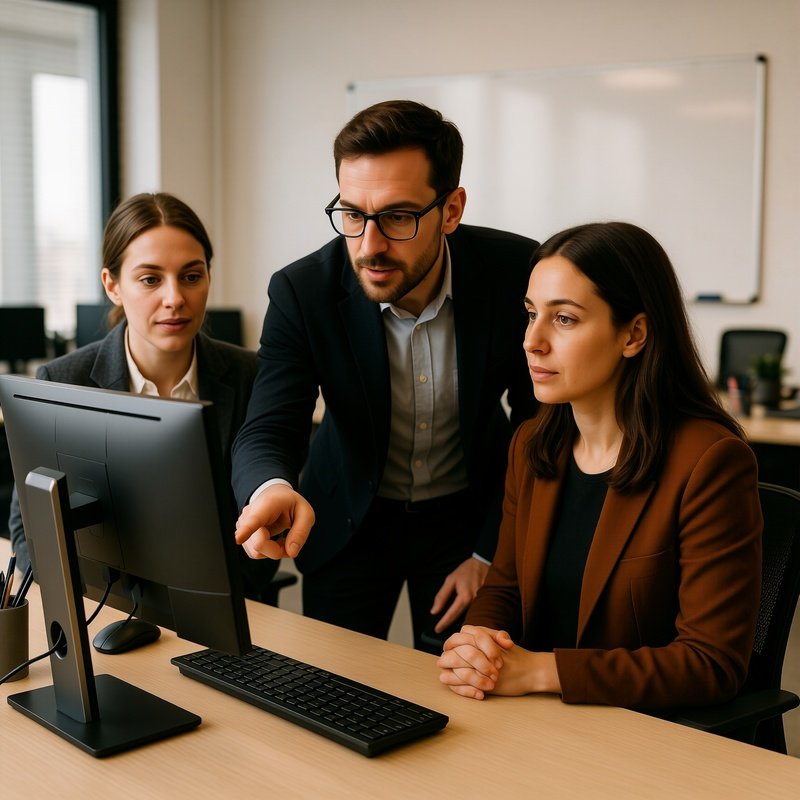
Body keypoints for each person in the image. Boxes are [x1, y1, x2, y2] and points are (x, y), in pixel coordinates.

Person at [232, 100, 539, 651]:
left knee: (467, 692)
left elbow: (538, 422)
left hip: (470, 520)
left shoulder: (515, 273)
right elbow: (268, 425)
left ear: (451, 209)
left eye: (398, 216)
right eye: (353, 214)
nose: (369, 245)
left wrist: (495, 550)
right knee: (339, 693)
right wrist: (271, 487)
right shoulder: (304, 292)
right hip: (345, 521)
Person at [437, 221, 763, 709]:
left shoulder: (709, 463)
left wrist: (540, 670)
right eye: (530, 314)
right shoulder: (530, 445)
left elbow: (710, 663)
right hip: (531, 720)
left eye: (564, 319)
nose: (532, 341)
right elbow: (503, 587)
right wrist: (478, 647)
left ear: (634, 334)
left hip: (639, 737)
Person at [8, 192, 278, 601]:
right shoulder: (64, 382)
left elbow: (262, 522)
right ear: (112, 285)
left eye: (191, 276)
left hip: (222, 613)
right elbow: (28, 530)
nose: (175, 298)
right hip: (103, 614)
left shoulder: (249, 375)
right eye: (151, 279)